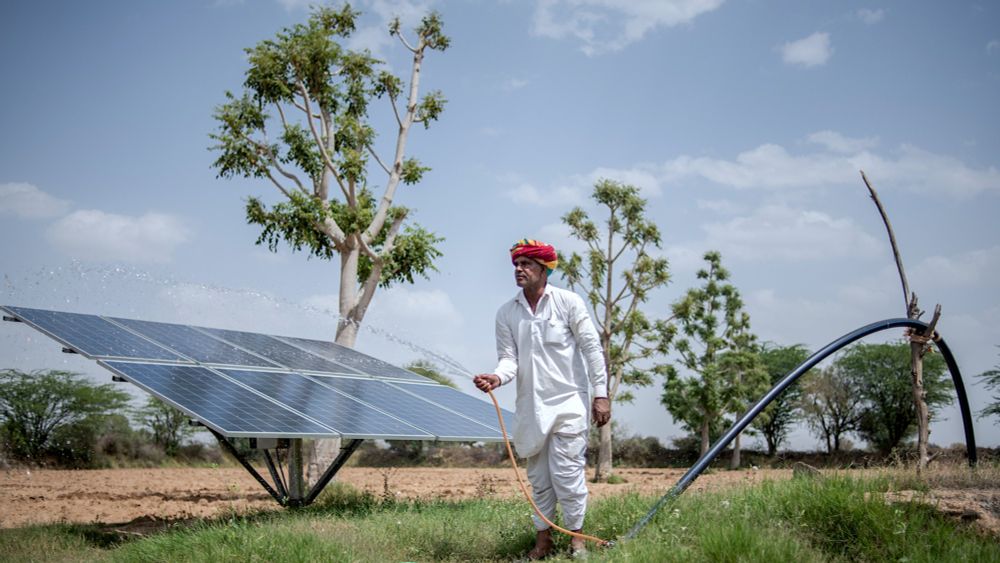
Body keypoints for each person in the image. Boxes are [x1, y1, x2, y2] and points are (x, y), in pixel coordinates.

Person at [474, 238, 611, 559]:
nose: (519, 270)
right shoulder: (507, 312)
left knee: (567, 475)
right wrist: (496, 377)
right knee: (538, 480)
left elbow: (592, 349)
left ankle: (577, 540)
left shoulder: (568, 303)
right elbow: (509, 359)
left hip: (569, 405)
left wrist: (600, 394)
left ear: (544, 269)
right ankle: (543, 542)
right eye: (516, 265)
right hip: (531, 409)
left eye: (526, 265)